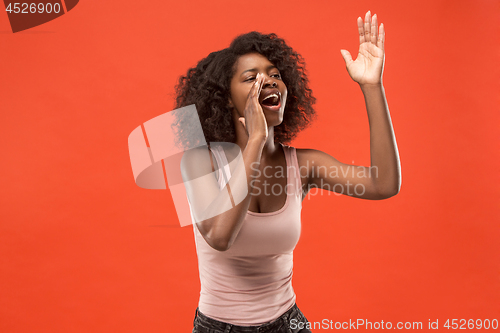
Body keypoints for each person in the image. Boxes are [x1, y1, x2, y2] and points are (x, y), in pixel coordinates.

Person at [173, 11, 401, 333]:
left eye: (275, 73)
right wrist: (255, 138)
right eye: (251, 77)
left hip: (287, 324)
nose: (268, 81)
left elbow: (383, 183)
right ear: (226, 99)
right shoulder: (199, 160)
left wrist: (372, 86)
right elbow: (219, 236)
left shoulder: (304, 165)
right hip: (218, 327)